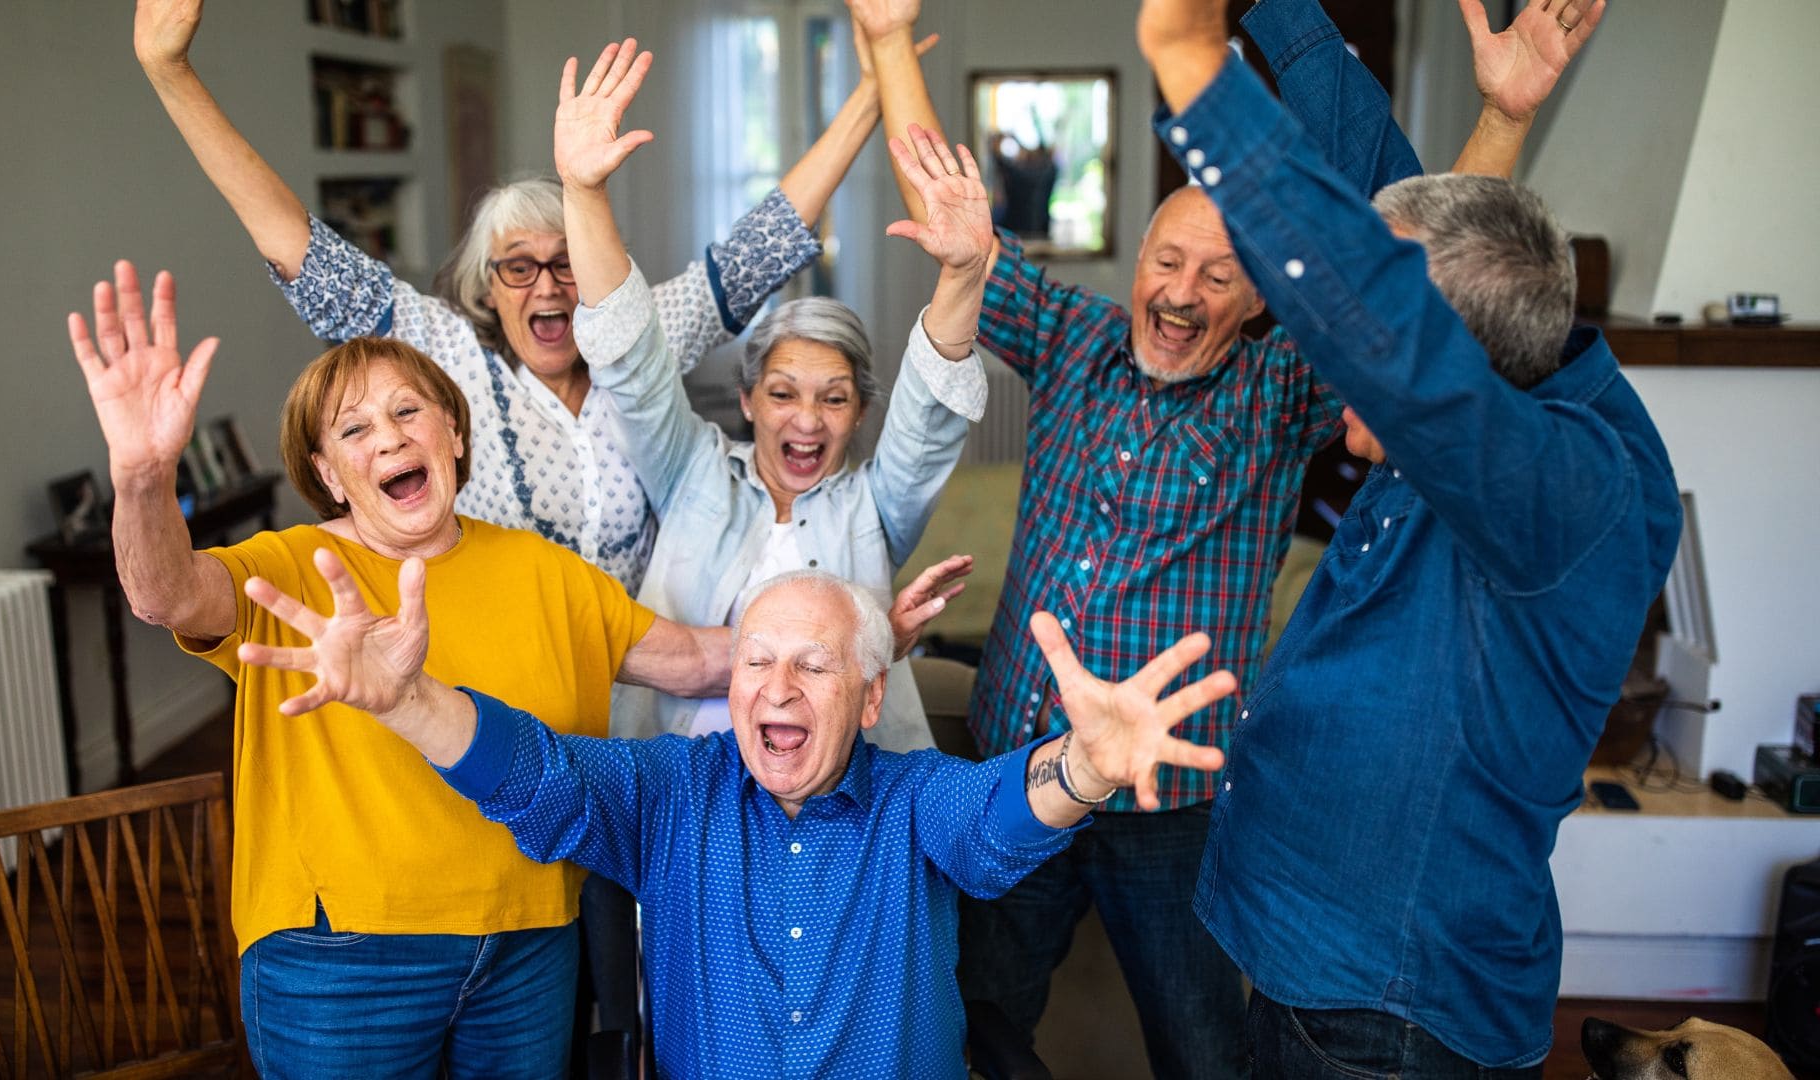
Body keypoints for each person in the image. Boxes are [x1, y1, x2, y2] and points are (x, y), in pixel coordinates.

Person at [847, 2, 1601, 1073]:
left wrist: (1502, 116)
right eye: (1167, 262)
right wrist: (884, 38)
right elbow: (949, 208)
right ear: (1135, 263)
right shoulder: (1075, 340)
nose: (1181, 293)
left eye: (1216, 275)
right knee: (981, 1010)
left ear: (1258, 300)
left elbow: (1416, 290)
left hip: (1173, 800)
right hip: (1025, 756)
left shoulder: (1282, 390)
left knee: (1201, 1046)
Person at [1134, 0, 1681, 1076]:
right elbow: (1369, 203)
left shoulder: (1577, 489)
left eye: (1365, 353)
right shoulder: (1511, 350)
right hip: (1307, 964)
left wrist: (1196, 70)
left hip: (1386, 1018)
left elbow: (1383, 313)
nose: (1334, 372)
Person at [64, 248, 744, 1077]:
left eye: (408, 412)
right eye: (354, 430)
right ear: (329, 474)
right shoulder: (288, 566)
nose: (388, 438)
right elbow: (164, 593)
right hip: (339, 957)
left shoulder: (546, 571)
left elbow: (699, 662)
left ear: (453, 432)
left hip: (528, 946)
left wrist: (855, 630)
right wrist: (141, 479)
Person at [230, 549, 1241, 1076]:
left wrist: (1087, 767)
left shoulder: (913, 798)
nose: (777, 687)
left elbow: (995, 822)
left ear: (869, 695)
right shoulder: (673, 793)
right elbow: (538, 775)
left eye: (813, 664)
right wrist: (406, 702)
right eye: (756, 662)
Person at [133, 0, 930, 594]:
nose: (548, 285)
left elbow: (766, 240)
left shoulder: (638, 336)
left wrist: (870, 88)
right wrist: (170, 75)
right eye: (519, 266)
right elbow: (293, 244)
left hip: (638, 693)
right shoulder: (444, 358)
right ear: (488, 285)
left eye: (566, 262)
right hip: (503, 690)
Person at [557, 41, 993, 753]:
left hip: (837, 803)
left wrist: (964, 275)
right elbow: (632, 362)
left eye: (835, 398)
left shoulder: (874, 509)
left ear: (858, 412)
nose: (807, 419)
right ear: (749, 400)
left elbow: (929, 413)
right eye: (784, 392)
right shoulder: (693, 471)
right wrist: (583, 191)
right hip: (684, 786)